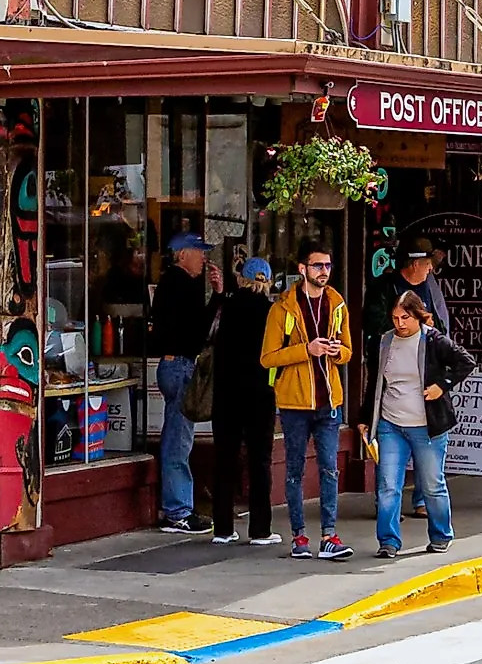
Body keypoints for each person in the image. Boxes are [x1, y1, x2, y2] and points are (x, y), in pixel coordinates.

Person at [357, 290, 477, 558]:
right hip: (391, 423)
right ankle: (388, 541)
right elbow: (375, 384)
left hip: (427, 425)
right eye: (395, 318)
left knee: (432, 483)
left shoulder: (433, 340)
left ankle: (440, 534)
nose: (400, 323)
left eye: (405, 318)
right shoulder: (384, 342)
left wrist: (442, 386)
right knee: (388, 485)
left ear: (417, 316)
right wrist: (365, 419)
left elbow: (466, 362)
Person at [263, 242, 354, 560]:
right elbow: (267, 358)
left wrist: (335, 352)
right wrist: (307, 350)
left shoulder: (337, 304)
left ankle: (330, 535)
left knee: (330, 469)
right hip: (294, 403)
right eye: (318, 266)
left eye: (328, 266)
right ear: (301, 269)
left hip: (329, 399)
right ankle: (299, 536)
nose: (324, 272)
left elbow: (348, 350)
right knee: (294, 470)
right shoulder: (282, 309)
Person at [363, 242, 453, 516]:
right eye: (428, 263)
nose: (430, 269)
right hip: (393, 371)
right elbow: (373, 324)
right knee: (389, 442)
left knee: (427, 442)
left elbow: (442, 323)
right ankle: (386, 506)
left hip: (426, 373)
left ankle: (423, 500)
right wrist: (406, 328)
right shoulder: (386, 287)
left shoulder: (431, 286)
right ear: (415, 263)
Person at [148, 233, 219, 534]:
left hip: (174, 364)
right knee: (179, 439)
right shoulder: (180, 284)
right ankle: (178, 511)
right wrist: (217, 295)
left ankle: (178, 507)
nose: (203, 258)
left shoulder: (173, 284)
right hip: (179, 365)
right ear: (181, 255)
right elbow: (199, 330)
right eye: (198, 252)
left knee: (178, 435)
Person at [210, 258, 277, 545]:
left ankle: (223, 528)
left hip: (226, 392)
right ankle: (260, 529)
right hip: (260, 392)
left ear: (242, 279)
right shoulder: (271, 311)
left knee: (224, 458)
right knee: (259, 460)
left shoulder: (227, 307)